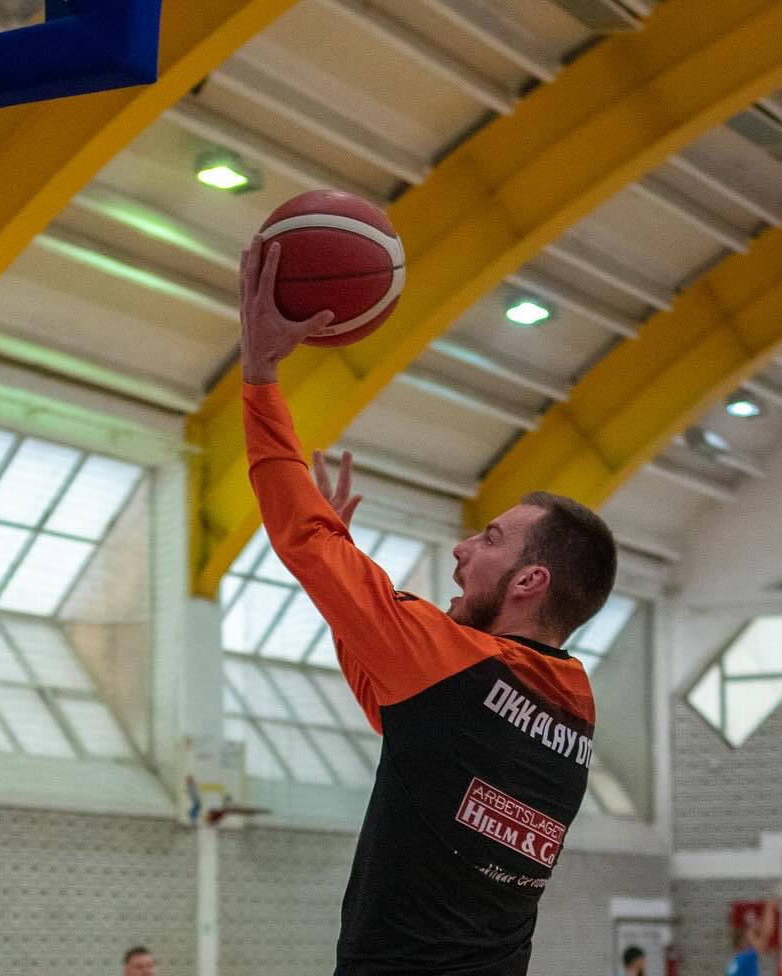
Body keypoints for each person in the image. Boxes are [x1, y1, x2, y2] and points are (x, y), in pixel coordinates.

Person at [239, 237, 617, 976]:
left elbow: (304, 538)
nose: (462, 549)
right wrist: (348, 592)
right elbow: (392, 686)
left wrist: (261, 375)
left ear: (530, 581)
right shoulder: (573, 703)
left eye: (491, 539)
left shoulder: (458, 665)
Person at [726, 900, 778, 976]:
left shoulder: (738, 961)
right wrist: (769, 907)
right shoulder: (747, 958)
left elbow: (765, 934)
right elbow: (766, 933)